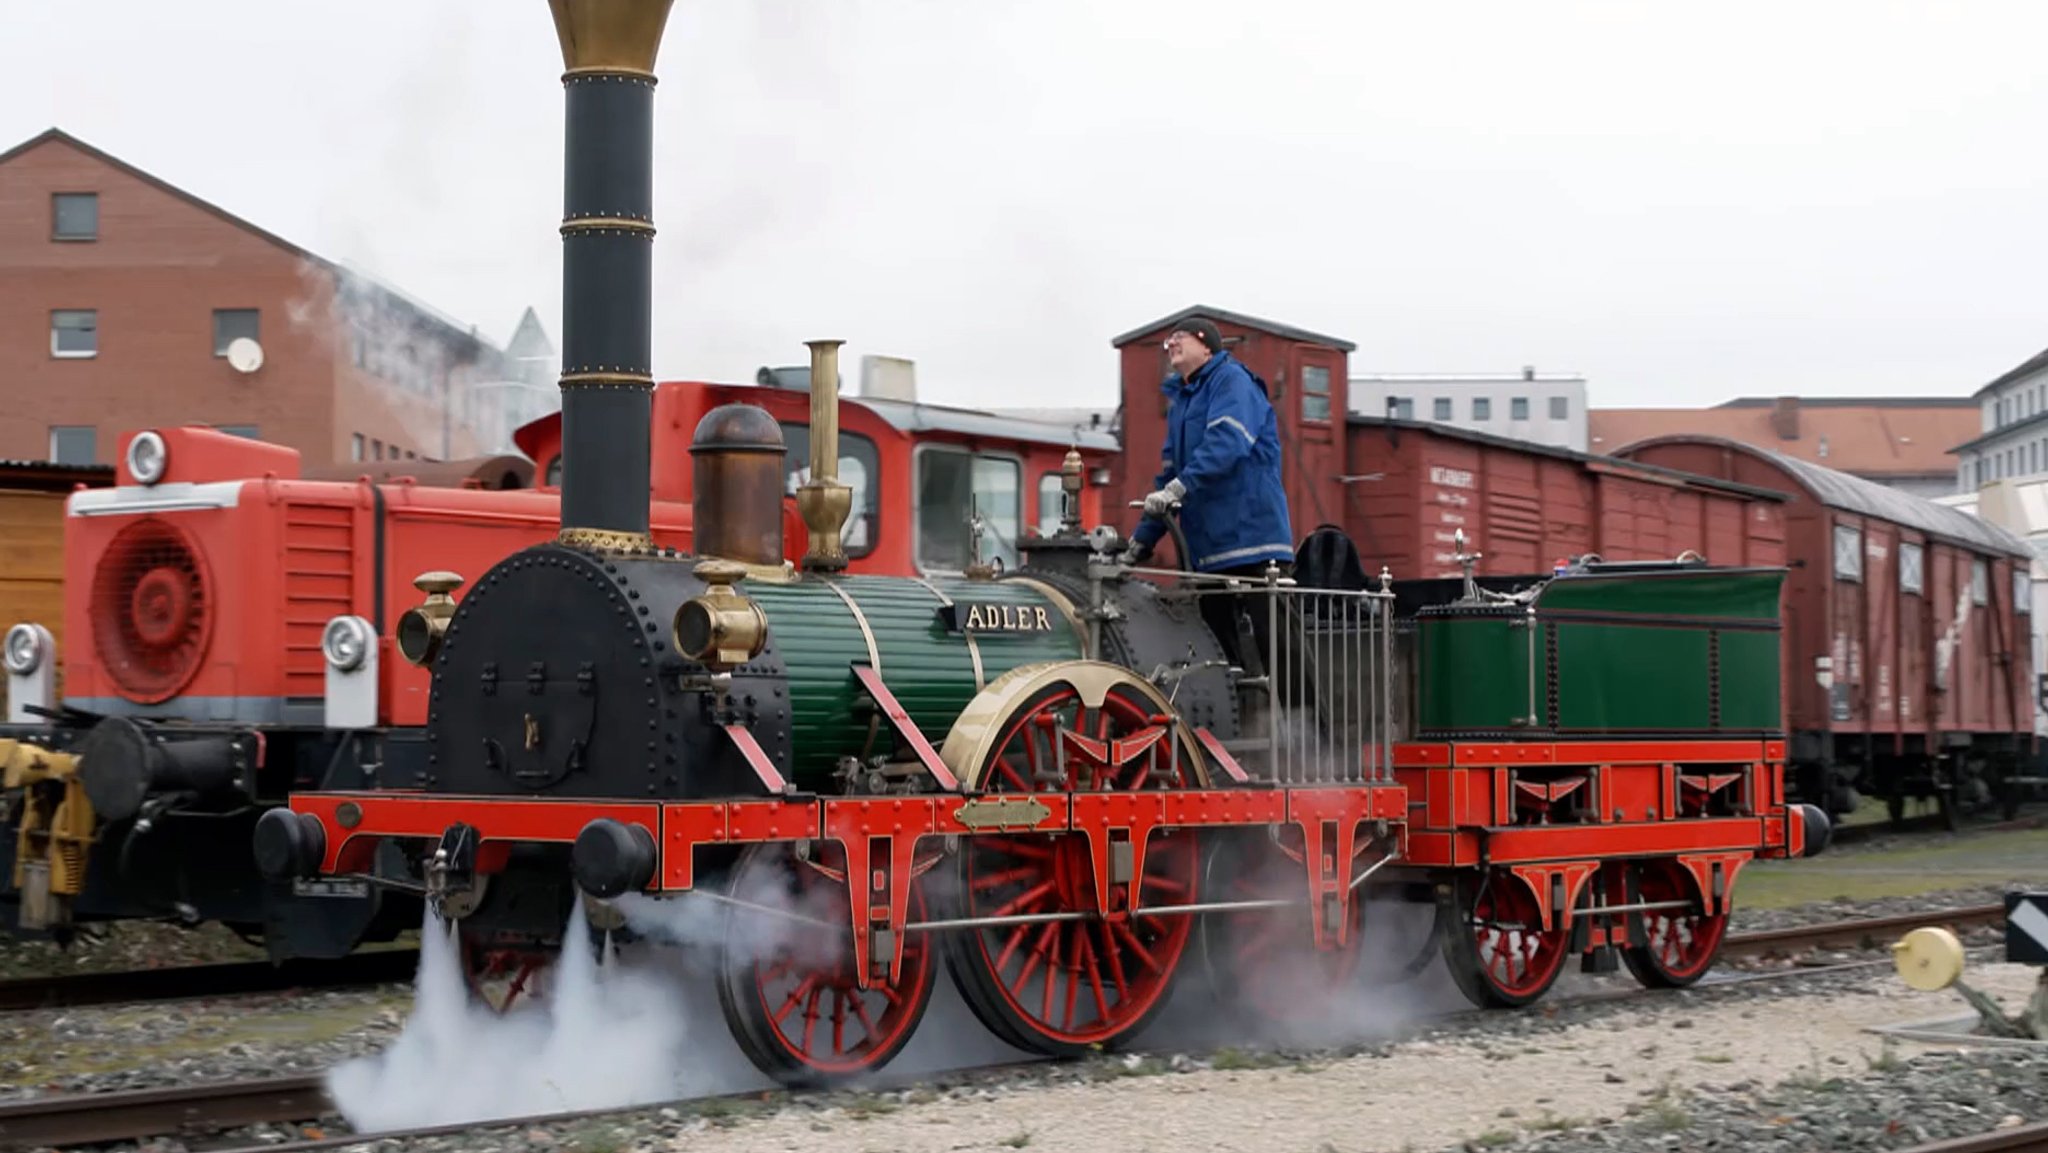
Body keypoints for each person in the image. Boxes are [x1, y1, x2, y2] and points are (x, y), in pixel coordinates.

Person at [1121, 316, 1295, 671]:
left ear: (1206, 345)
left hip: (1252, 537)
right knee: (1220, 652)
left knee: (1278, 645)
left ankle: (1306, 724)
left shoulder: (1232, 381)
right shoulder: (1181, 402)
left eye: (1179, 337)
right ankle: (1243, 718)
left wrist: (1178, 488)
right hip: (1209, 549)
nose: (1171, 344)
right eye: (1168, 340)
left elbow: (1228, 442)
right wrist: (1141, 541)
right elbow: (1170, 476)